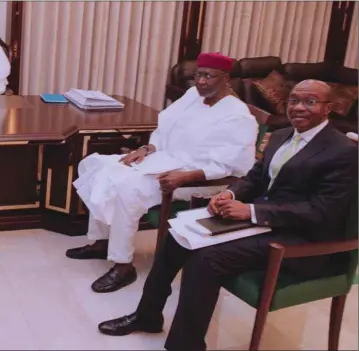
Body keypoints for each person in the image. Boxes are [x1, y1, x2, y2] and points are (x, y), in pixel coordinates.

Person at [98, 80, 358, 351]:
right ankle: (147, 316)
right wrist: (230, 195)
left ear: (328, 109)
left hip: (302, 240)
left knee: (207, 259)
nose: (299, 108)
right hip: (263, 224)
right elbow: (255, 179)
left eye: (310, 102)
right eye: (294, 100)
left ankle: (185, 345)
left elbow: (322, 211)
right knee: (177, 236)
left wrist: (253, 211)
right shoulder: (281, 136)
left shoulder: (343, 152)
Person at [67, 52, 259, 293]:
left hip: (201, 177)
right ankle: (102, 241)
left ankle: (123, 264)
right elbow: (165, 127)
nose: (200, 82)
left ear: (226, 78)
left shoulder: (238, 116)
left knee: (127, 188)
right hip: (164, 159)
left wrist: (185, 177)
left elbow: (230, 165)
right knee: (95, 165)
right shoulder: (193, 96)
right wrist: (147, 148)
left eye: (208, 76)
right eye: (198, 75)